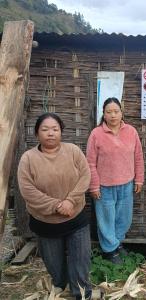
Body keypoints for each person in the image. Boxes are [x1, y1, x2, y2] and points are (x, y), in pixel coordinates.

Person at [17, 113, 92, 300]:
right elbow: (27, 190)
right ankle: (61, 285)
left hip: (76, 218)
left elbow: (85, 176)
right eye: (45, 129)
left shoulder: (73, 151)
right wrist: (57, 205)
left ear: (61, 132)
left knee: (80, 261)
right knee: (54, 266)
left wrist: (70, 201)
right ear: (36, 134)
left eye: (55, 129)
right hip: (45, 222)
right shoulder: (28, 158)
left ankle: (81, 294)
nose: (50, 133)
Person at [86, 97, 144, 264]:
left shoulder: (131, 131)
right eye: (109, 112)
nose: (113, 115)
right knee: (106, 219)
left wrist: (139, 179)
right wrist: (94, 186)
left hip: (127, 184)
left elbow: (138, 157)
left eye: (116, 111)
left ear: (121, 112)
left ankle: (117, 243)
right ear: (103, 115)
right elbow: (90, 162)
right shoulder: (96, 134)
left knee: (123, 218)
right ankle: (109, 250)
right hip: (104, 186)